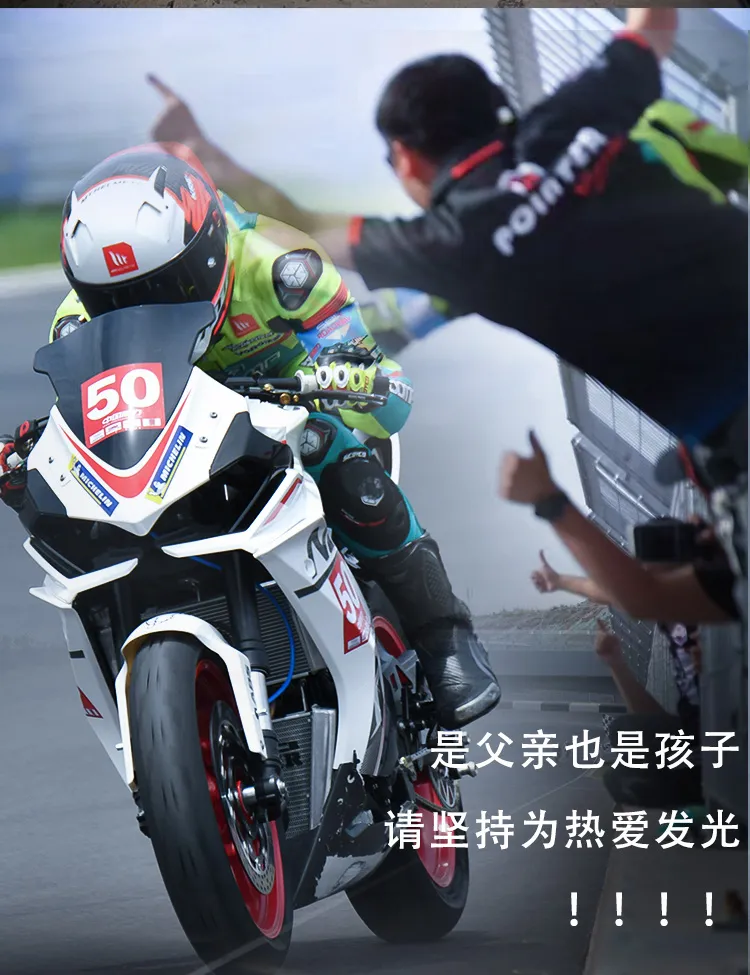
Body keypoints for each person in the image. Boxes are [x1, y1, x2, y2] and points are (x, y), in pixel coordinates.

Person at [0, 144, 500, 731]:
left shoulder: (284, 267)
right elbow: (85, 416)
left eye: (165, 287)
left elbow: (383, 391)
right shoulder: (75, 321)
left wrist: (351, 373)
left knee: (333, 453)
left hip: (285, 419)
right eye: (119, 302)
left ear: (210, 254)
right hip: (172, 447)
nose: (144, 310)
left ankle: (446, 638)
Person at [144, 8, 747, 459]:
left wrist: (199, 148)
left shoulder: (456, 248)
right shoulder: (571, 116)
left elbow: (302, 226)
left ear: (406, 157)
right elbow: (652, 25)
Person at [499, 431, 740, 625]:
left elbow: (642, 597)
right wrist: (560, 581)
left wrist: (548, 500)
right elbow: (625, 593)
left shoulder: (737, 569)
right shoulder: (731, 563)